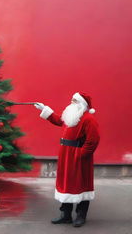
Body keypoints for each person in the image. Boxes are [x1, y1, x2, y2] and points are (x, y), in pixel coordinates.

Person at [34, 92, 100, 227]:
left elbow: (93, 141)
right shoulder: (71, 116)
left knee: (81, 183)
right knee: (66, 183)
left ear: (82, 104)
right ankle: (66, 214)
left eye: (74, 101)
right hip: (66, 155)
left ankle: (81, 215)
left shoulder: (88, 119)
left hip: (79, 156)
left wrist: (81, 154)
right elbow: (59, 120)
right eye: (71, 100)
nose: (71, 102)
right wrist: (44, 109)